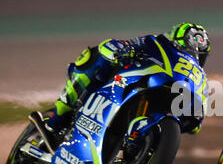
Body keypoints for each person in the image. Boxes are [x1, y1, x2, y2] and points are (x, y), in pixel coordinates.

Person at [29, 22, 211, 153]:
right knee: (92, 58)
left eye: (197, 54)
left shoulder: (198, 79)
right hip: (124, 81)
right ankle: (56, 120)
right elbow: (116, 45)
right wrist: (122, 50)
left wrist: (193, 117)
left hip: (159, 97)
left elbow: (196, 125)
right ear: (175, 40)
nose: (191, 55)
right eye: (187, 47)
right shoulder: (154, 42)